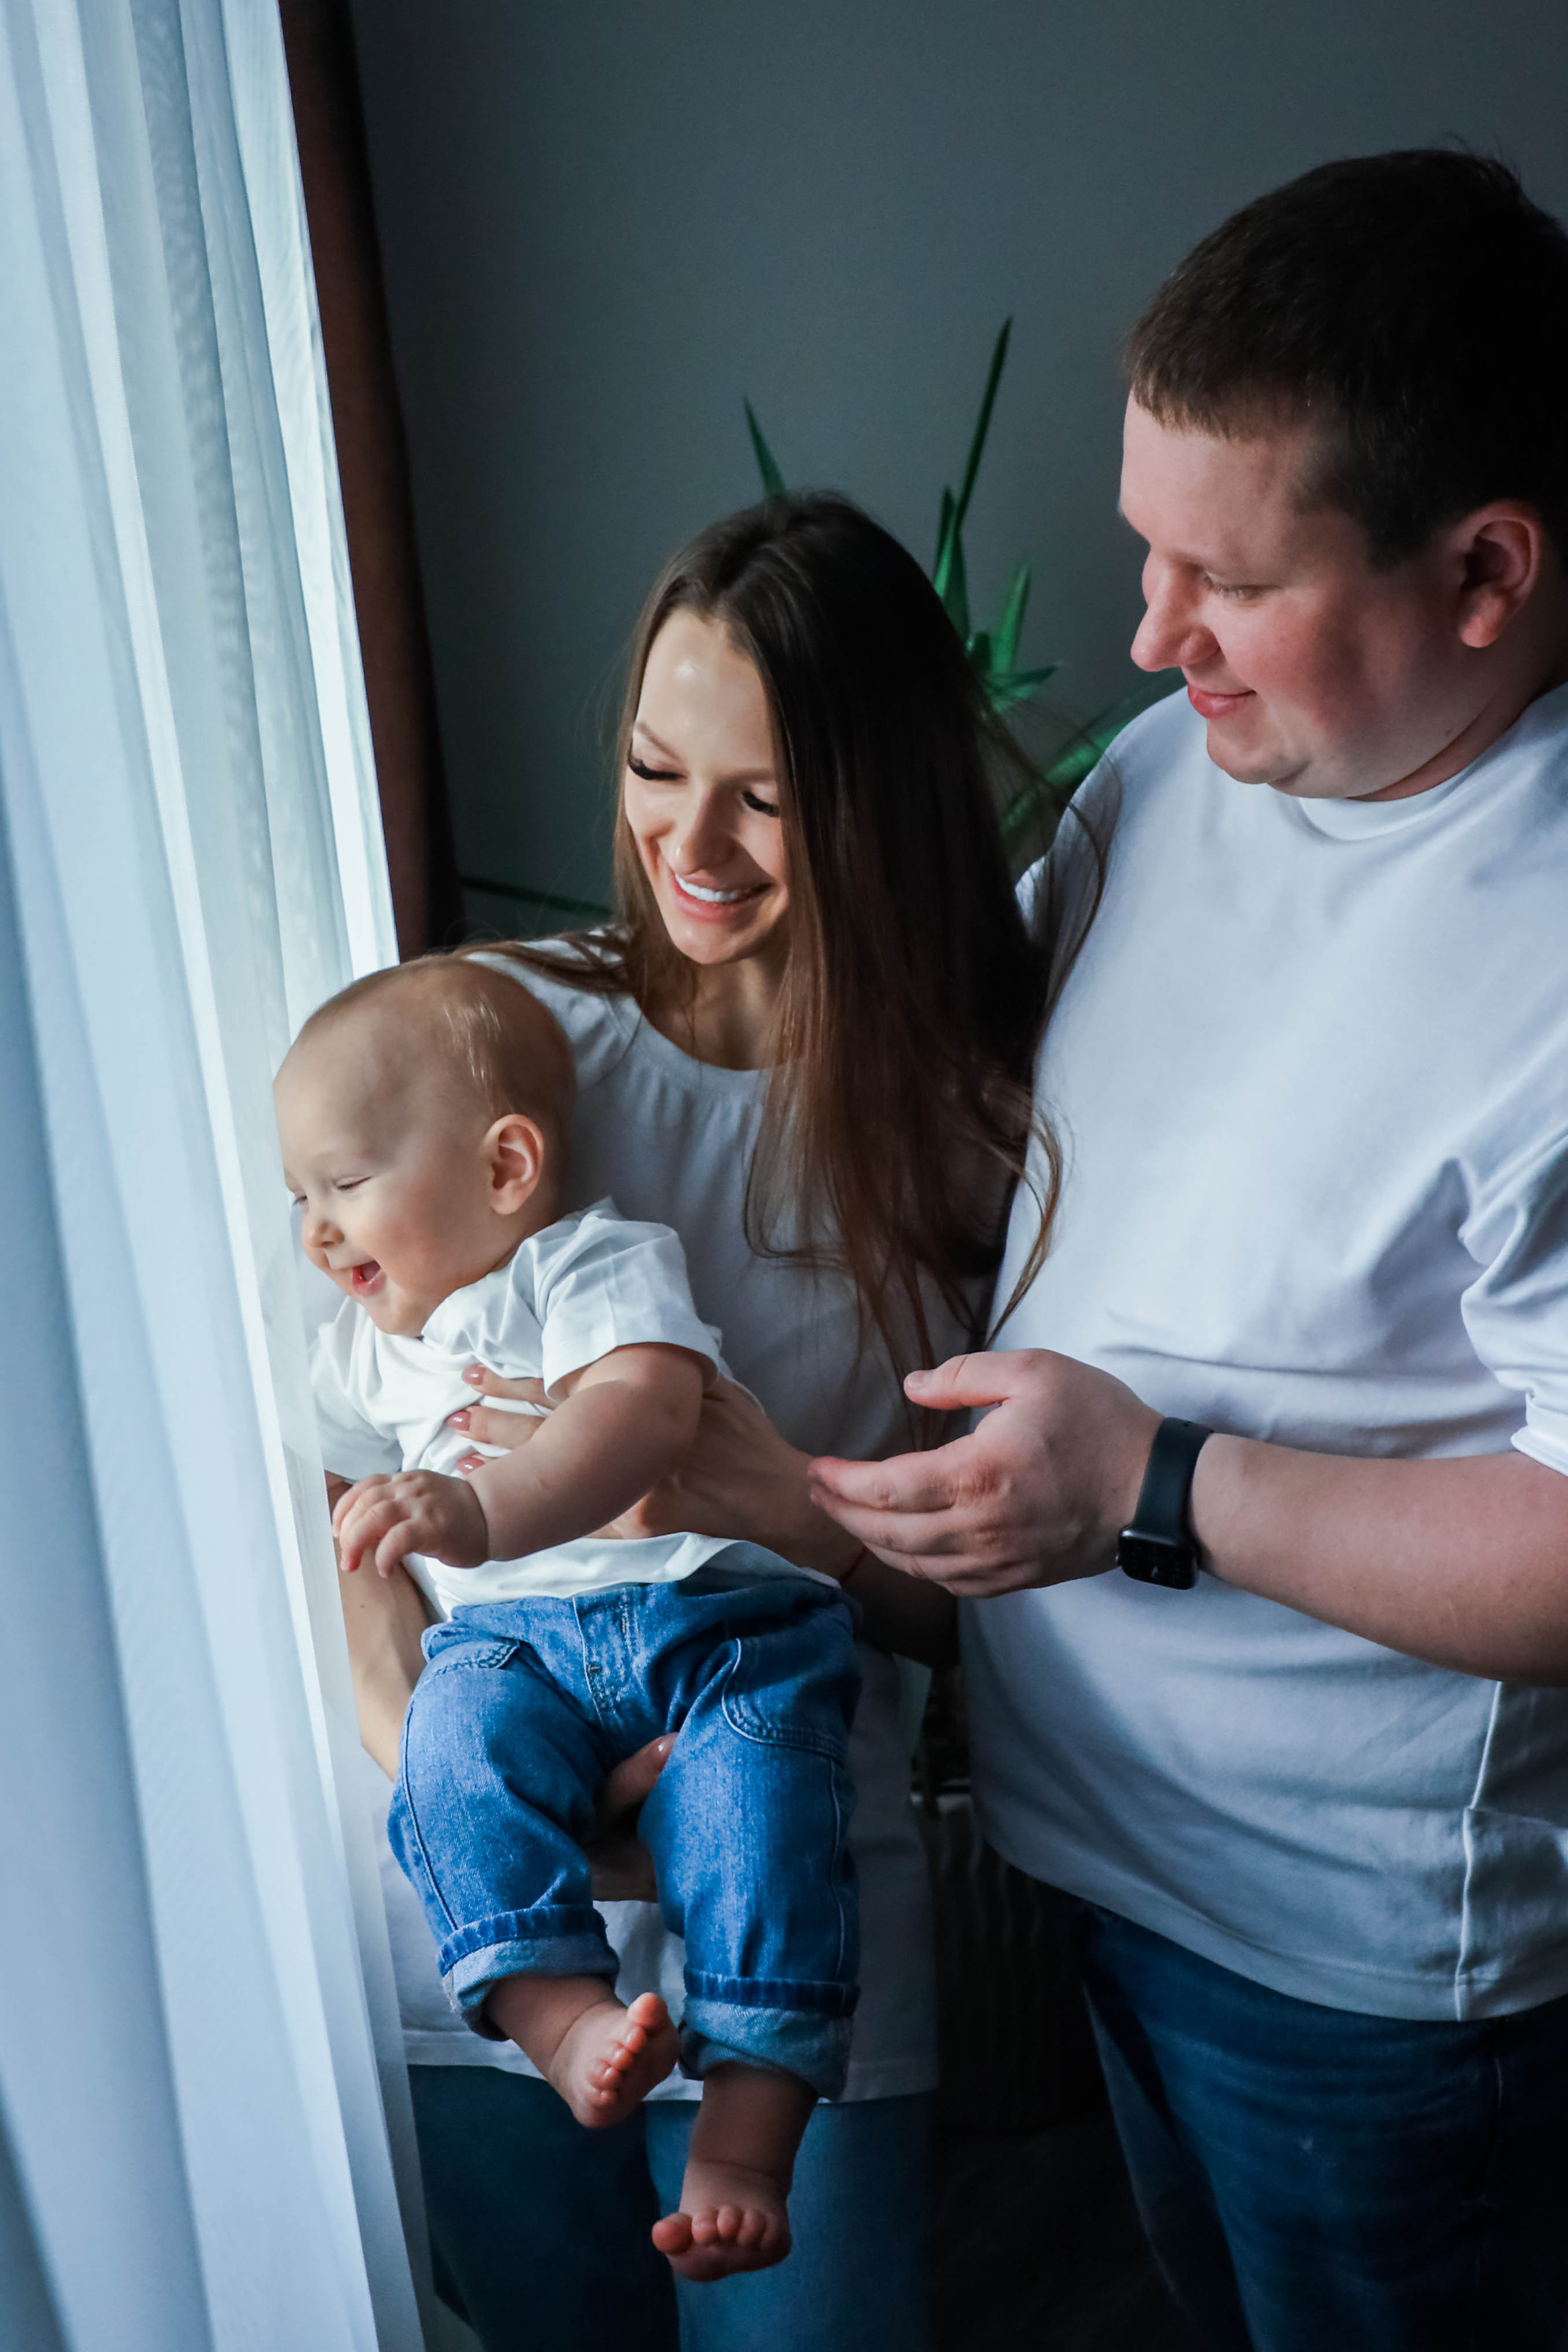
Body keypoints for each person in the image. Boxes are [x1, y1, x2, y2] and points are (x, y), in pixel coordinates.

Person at [808, 151, 1568, 2352]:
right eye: (1147, 550)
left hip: (1363, 1983)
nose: (1147, 634)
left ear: (1486, 571)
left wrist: (1151, 1486)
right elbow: (1023, 1123)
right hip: (1103, 1862)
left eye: (1219, 577)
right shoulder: (1194, 759)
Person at [339, 492, 1058, 2349]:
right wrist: (424, 1743)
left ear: (879, 805)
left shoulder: (972, 1138)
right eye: (662, 770)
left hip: (796, 1913)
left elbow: (992, 1609)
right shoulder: (489, 1045)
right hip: (499, 1929)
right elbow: (317, 1460)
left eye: (766, 793)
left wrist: (803, 1522)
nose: (696, 844)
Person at [278, 956, 864, 2278]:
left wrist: (479, 1514)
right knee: (450, 1748)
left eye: (345, 1181)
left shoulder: (589, 1263)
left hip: (712, 1626)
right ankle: (555, 2019)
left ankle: (748, 2138)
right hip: (513, 1656)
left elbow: (639, 1415)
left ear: (503, 1167)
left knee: (755, 1814)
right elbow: (321, 1512)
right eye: (298, 1196)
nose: (317, 1230)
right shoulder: (355, 1358)